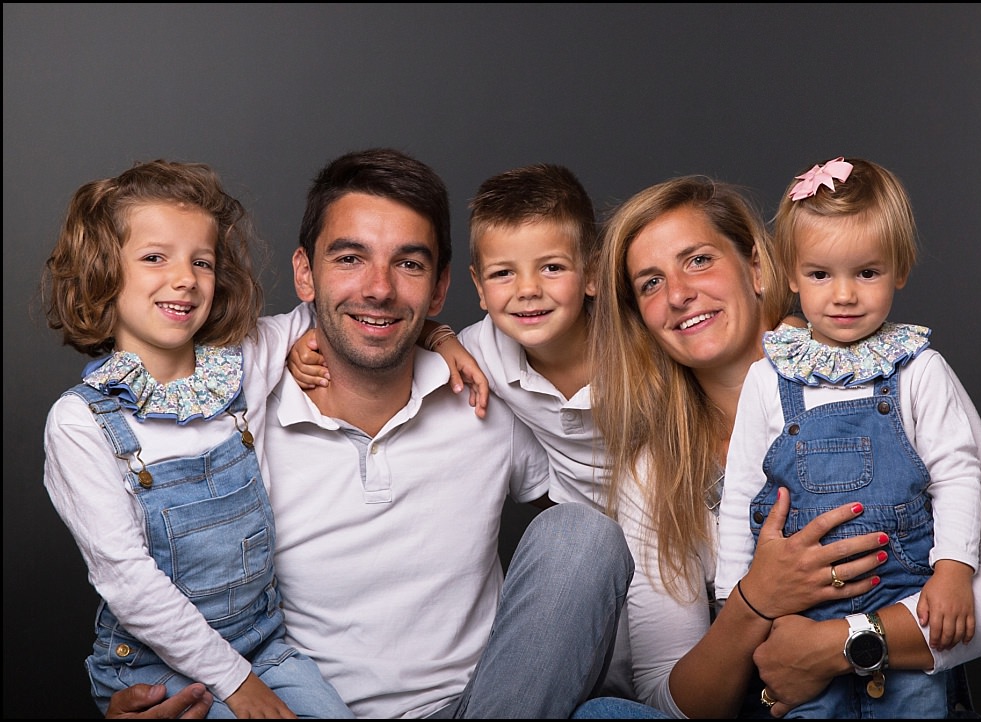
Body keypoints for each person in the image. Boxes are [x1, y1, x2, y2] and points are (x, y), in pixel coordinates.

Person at [107, 147, 635, 719]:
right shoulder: (239, 404)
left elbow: (597, 484)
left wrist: (438, 338)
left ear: (439, 289)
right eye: (351, 258)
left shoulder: (485, 390)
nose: (379, 288)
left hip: (480, 706)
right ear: (304, 273)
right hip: (305, 707)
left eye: (409, 264)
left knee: (584, 538)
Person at [584, 174, 981, 718]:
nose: (677, 294)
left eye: (698, 260)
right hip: (784, 707)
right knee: (604, 716)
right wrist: (755, 600)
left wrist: (842, 645)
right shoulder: (652, 472)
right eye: (649, 283)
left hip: (904, 686)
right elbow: (669, 698)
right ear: (641, 318)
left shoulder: (899, 374)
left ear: (759, 270)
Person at [41, 160, 353, 718]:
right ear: (103, 272)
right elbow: (130, 584)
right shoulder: (80, 423)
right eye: (155, 257)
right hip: (154, 665)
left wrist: (442, 335)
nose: (185, 277)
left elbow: (345, 313)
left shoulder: (243, 364)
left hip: (265, 644)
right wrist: (235, 683)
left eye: (201, 261)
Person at [714, 157, 981, 717]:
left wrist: (955, 568)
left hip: (906, 600)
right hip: (800, 610)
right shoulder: (769, 378)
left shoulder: (916, 370)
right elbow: (742, 494)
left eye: (866, 272)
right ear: (789, 274)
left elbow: (957, 474)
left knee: (916, 707)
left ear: (900, 269)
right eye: (819, 274)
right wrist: (733, 600)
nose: (844, 295)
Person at [291, 162, 605, 506]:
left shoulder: (633, 349)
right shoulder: (480, 354)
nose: (528, 289)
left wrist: (438, 336)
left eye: (552, 268)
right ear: (480, 287)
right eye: (351, 258)